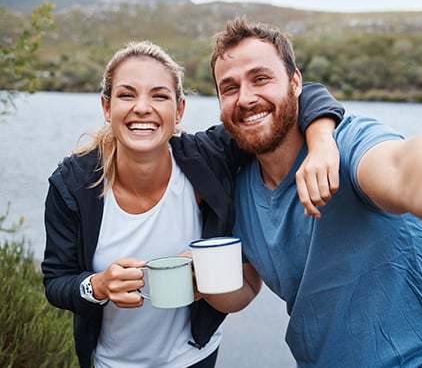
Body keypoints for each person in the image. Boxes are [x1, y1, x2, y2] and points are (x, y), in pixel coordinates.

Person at [208, 18, 422, 367]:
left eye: (261, 78)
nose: (246, 98)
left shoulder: (349, 142)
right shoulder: (240, 189)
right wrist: (203, 281)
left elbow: (405, 169)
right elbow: (247, 285)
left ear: (295, 82)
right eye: (230, 88)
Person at [40, 40, 344, 368]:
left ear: (179, 109)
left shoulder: (208, 158)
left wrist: (322, 142)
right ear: (106, 106)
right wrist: (96, 286)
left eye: (159, 95)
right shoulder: (72, 184)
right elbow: (57, 281)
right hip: (109, 362)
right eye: (127, 95)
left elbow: (299, 94)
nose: (142, 107)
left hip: (195, 355)